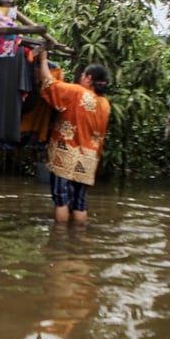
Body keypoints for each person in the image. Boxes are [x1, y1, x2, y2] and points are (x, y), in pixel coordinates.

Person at [34, 49, 111, 224]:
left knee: (61, 200)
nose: (81, 78)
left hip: (66, 154)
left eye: (83, 75)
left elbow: (49, 84)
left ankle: (60, 239)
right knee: (80, 202)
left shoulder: (77, 93)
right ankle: (78, 240)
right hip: (89, 158)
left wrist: (44, 60)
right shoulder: (105, 104)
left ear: (89, 79)